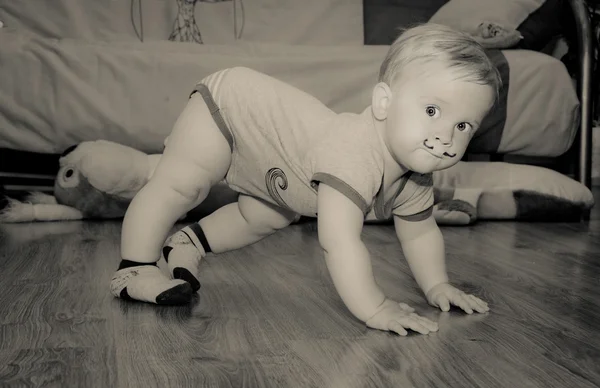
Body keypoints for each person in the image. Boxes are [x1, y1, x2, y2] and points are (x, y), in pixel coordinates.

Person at [110, 23, 501, 336]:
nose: (447, 137)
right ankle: (134, 268)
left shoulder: (414, 178)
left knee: (266, 217)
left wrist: (437, 286)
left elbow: (419, 233)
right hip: (230, 106)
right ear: (383, 102)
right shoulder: (354, 154)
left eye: (463, 125)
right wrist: (375, 307)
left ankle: (187, 243)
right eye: (432, 110)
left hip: (275, 162)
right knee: (182, 184)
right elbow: (338, 242)